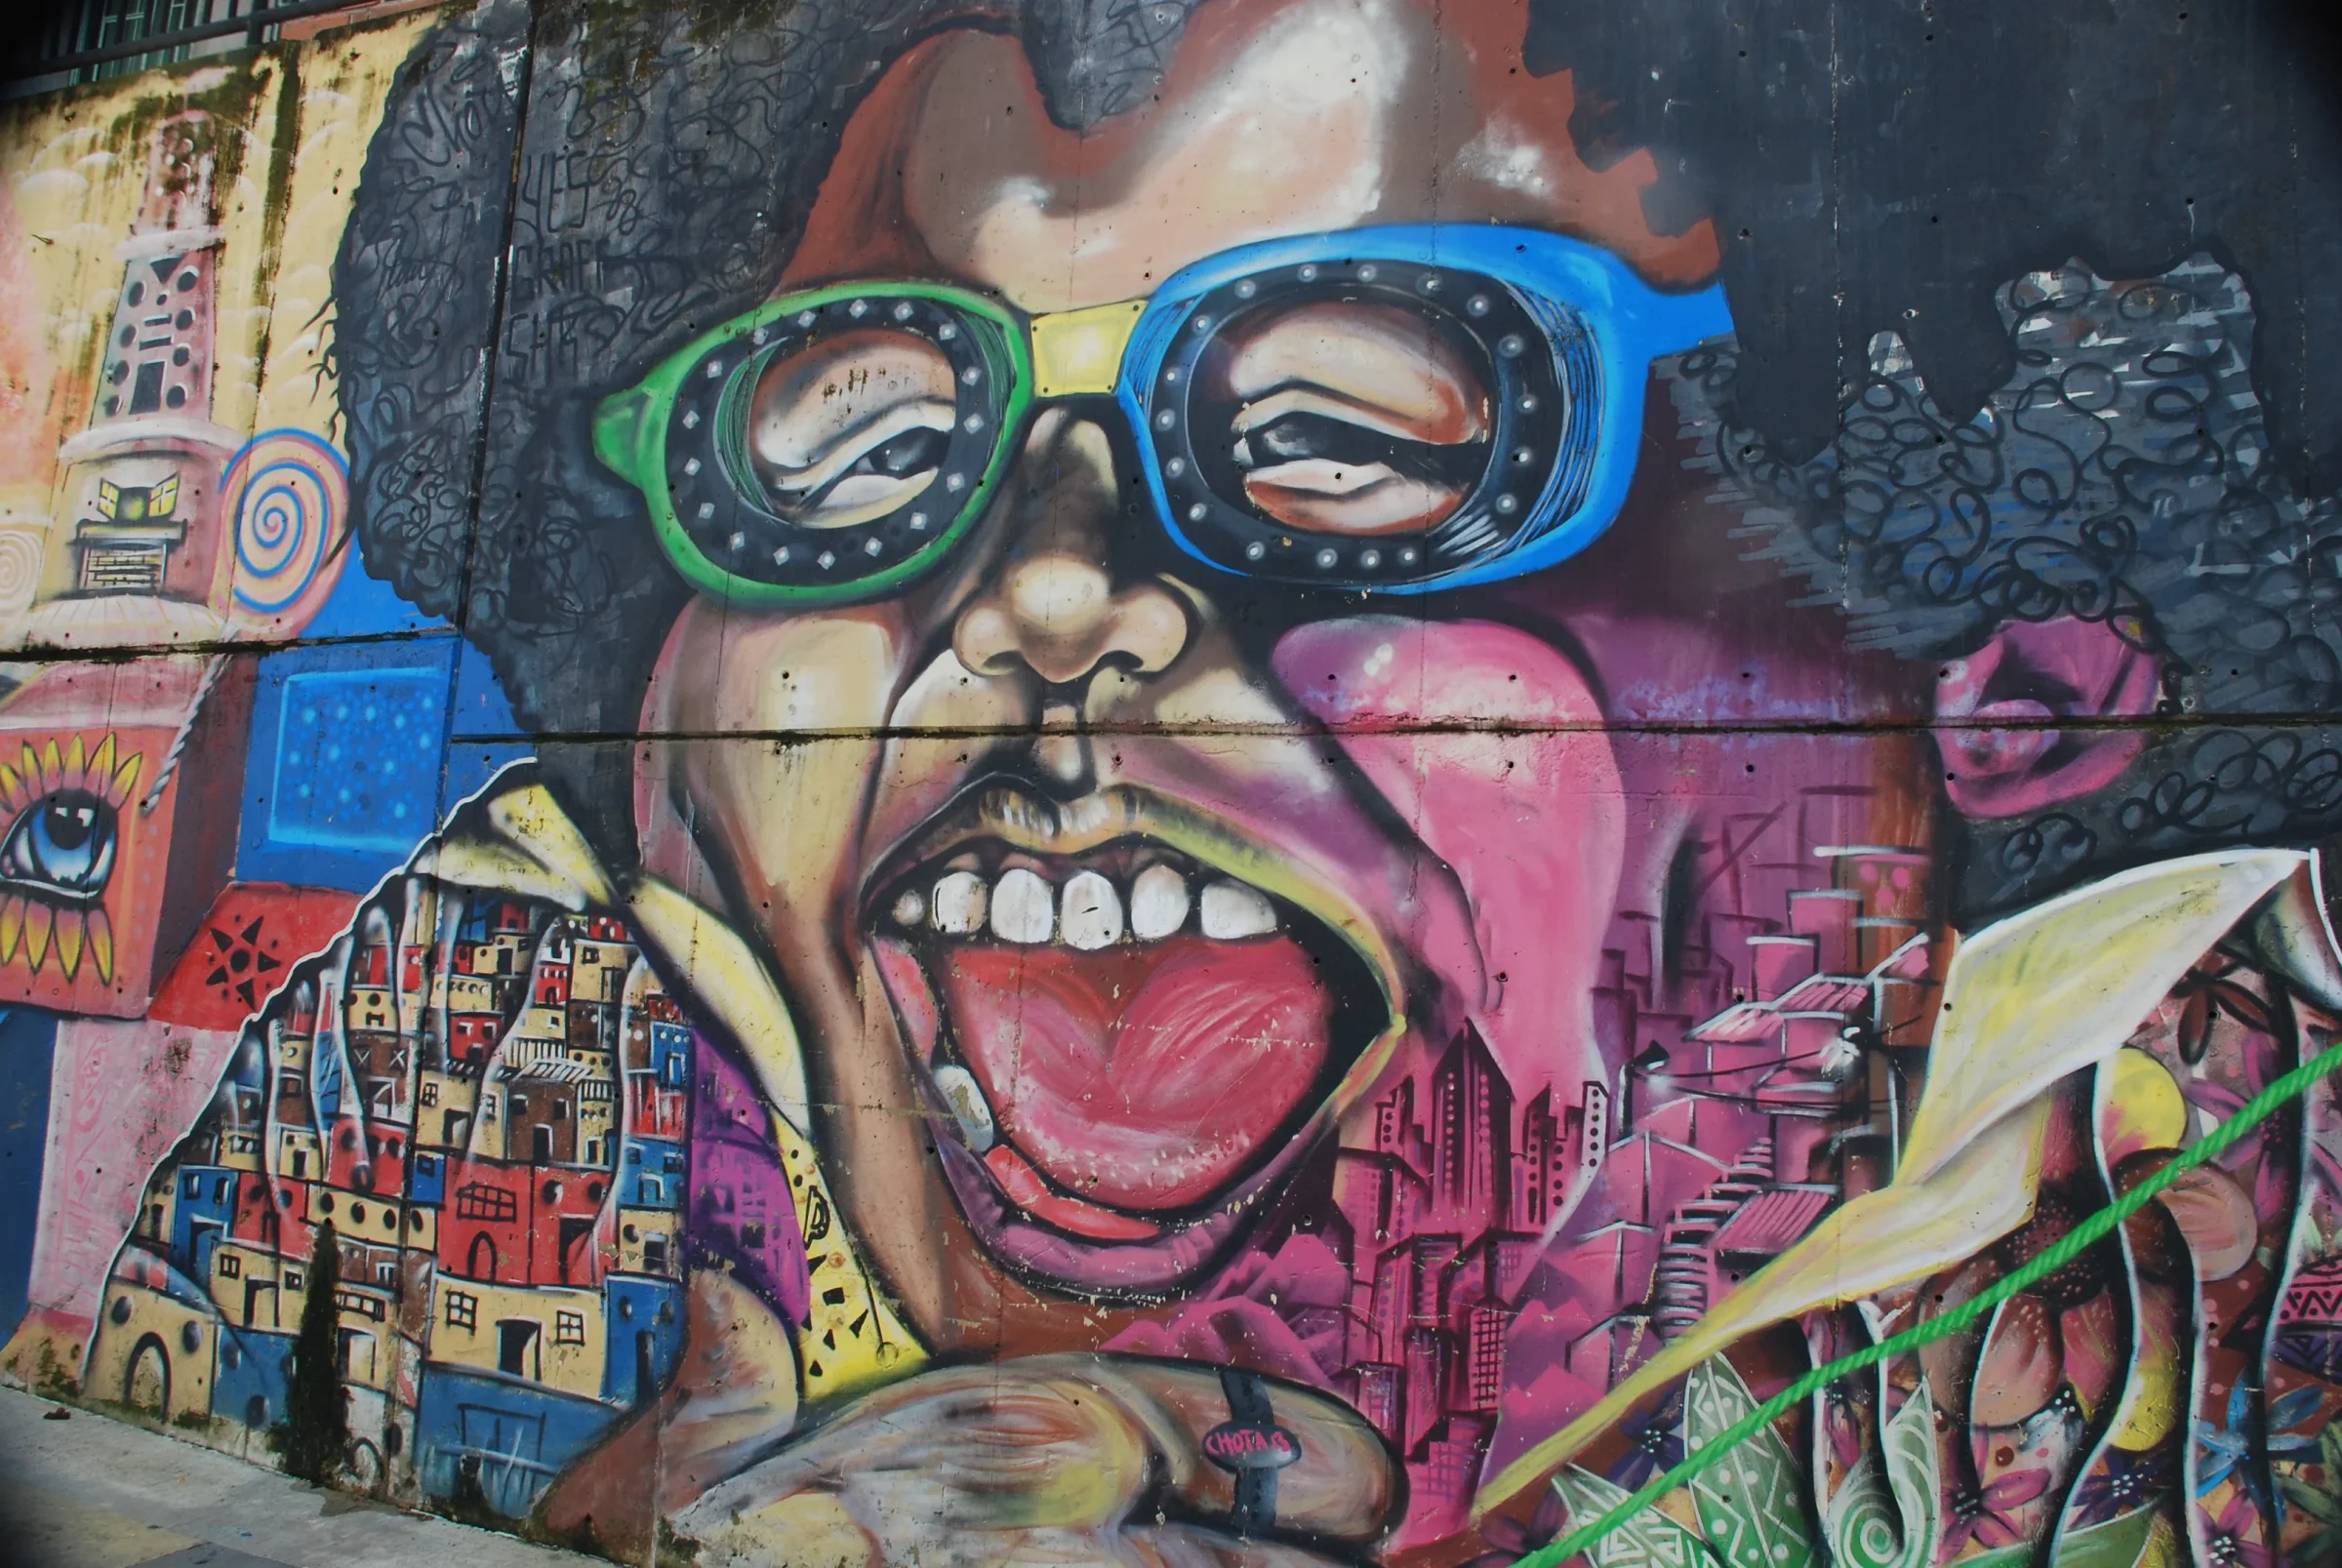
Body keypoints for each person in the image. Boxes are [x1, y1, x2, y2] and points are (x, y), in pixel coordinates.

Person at [84, 0, 2342, 1562]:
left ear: (2015, 691)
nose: (1047, 584)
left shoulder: (2208, 1220)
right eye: (862, 445)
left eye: (1346, 424)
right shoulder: (493, 1011)